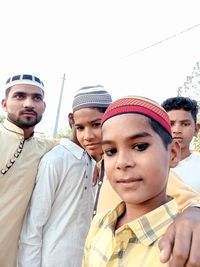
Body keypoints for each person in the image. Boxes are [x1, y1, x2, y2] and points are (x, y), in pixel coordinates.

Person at [82, 95, 189, 266]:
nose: (122, 163)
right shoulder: (99, 224)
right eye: (111, 151)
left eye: (140, 147)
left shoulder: (185, 246)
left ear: (173, 153)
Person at [17, 85, 112, 267]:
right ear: (71, 120)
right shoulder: (55, 160)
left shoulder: (99, 164)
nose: (88, 135)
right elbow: (33, 227)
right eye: (80, 127)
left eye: (96, 125)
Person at [0, 74, 55, 267]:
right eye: (20, 96)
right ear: (4, 104)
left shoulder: (47, 148)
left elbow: (79, 146)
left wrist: (96, 161)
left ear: (44, 107)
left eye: (36, 98)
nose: (29, 104)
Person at [161, 96, 200, 192]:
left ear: (196, 129)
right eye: (171, 124)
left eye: (185, 124)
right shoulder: (148, 165)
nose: (177, 130)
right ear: (160, 129)